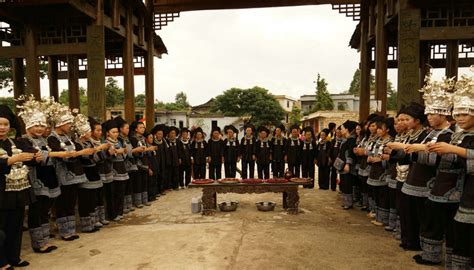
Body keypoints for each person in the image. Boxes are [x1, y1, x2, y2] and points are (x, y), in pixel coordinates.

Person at [416, 73, 472, 267]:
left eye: (465, 113)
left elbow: (457, 161)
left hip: (460, 191)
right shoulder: (456, 136)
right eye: (457, 113)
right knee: (455, 233)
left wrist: (453, 150)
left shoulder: (454, 137)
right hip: (447, 188)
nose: (460, 118)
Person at [16, 98, 62, 253]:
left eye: (42, 125)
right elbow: (33, 157)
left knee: (45, 210)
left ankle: (45, 240)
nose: (39, 128)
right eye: (35, 125)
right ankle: (38, 243)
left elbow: (44, 155)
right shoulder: (22, 140)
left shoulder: (44, 140)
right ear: (28, 126)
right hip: (35, 179)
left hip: (49, 178)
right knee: (36, 211)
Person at [386, 102, 428, 251]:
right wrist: (394, 152)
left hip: (416, 177)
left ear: (417, 121)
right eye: (400, 120)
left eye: (406, 119)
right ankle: (407, 239)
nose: (401, 122)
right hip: (402, 175)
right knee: (403, 209)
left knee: (414, 212)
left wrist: (400, 148)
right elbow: (403, 155)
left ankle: (414, 242)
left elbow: (416, 154)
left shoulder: (425, 135)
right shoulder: (410, 135)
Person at [47, 103, 91, 241]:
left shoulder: (69, 137)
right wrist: (77, 153)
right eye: (68, 124)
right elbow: (61, 154)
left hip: (74, 173)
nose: (70, 126)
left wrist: (80, 151)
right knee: (62, 202)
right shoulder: (52, 138)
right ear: (60, 124)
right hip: (62, 174)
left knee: (71, 201)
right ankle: (64, 231)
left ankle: (70, 230)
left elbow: (77, 149)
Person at [0, 105, 36, 268]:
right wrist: (11, 160)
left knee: (15, 226)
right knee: (1, 229)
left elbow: (31, 153)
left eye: (5, 124)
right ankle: (1, 261)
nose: (2, 128)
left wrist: (38, 155)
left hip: (17, 192)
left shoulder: (15, 142)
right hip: (1, 193)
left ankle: (14, 257)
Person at [74, 114, 110, 233]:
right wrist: (99, 149)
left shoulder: (89, 143)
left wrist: (105, 152)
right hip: (85, 174)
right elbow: (86, 157)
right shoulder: (78, 144)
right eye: (88, 130)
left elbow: (96, 158)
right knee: (85, 201)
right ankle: (86, 225)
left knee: (93, 199)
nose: (90, 132)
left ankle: (93, 221)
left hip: (94, 172)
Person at [367, 117, 395, 226]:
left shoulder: (390, 141)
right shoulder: (378, 140)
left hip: (383, 171)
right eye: (377, 128)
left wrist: (379, 159)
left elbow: (390, 158)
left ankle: (383, 219)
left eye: (380, 128)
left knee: (383, 195)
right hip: (375, 170)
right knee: (376, 194)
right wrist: (371, 158)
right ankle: (378, 216)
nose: (378, 131)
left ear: (387, 130)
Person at [103, 119, 128, 222]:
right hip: (112, 169)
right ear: (108, 133)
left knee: (121, 192)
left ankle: (120, 212)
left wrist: (123, 151)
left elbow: (125, 153)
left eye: (117, 132)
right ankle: (112, 214)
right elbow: (107, 156)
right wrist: (116, 152)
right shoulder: (105, 143)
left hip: (122, 167)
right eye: (113, 132)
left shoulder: (120, 141)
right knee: (112, 193)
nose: (116, 134)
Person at [89, 117, 112, 225]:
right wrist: (101, 149)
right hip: (95, 172)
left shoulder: (102, 142)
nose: (100, 132)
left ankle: (102, 217)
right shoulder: (91, 143)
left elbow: (107, 157)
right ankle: (95, 219)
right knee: (94, 197)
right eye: (97, 130)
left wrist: (109, 152)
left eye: (100, 130)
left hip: (104, 170)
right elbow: (94, 158)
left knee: (101, 196)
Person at [335, 120, 358, 209]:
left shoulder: (351, 140)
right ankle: (345, 201)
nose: (341, 130)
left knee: (347, 184)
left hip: (347, 167)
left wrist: (348, 164)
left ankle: (349, 203)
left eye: (342, 129)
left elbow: (350, 153)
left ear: (347, 129)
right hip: (342, 166)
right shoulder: (345, 140)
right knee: (344, 184)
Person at [129, 121, 150, 205]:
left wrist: (148, 150)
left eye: (143, 127)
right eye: (140, 127)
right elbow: (135, 152)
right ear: (136, 129)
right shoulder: (133, 139)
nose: (143, 129)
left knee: (144, 180)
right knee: (138, 182)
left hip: (144, 161)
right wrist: (143, 150)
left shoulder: (143, 138)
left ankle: (144, 200)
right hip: (137, 162)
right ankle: (138, 201)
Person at [151, 124, 169, 193]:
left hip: (162, 161)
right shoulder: (153, 142)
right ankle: (156, 191)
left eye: (161, 134)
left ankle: (162, 189)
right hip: (156, 161)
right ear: (155, 134)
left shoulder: (163, 141)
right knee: (156, 176)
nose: (160, 135)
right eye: (158, 134)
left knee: (162, 175)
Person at [329, 127, 342, 191]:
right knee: (333, 173)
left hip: (341, 159)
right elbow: (330, 150)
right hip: (334, 159)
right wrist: (329, 157)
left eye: (339, 132)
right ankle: (333, 187)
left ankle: (341, 187)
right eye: (336, 132)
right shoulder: (333, 140)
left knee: (341, 174)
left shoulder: (343, 140)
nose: (338, 134)